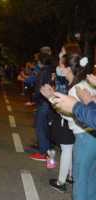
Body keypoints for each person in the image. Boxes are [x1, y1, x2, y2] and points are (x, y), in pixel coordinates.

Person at [42, 55, 96, 200]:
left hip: (85, 138)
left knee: (81, 183)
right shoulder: (87, 84)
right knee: (91, 181)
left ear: (67, 68)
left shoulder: (76, 89)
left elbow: (70, 114)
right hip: (92, 137)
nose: (59, 67)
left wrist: (50, 97)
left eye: (61, 64)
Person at [29, 53, 54, 161]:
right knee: (45, 127)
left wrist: (34, 99)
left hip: (43, 102)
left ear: (41, 61)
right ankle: (47, 149)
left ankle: (43, 153)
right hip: (49, 102)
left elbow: (39, 88)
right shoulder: (50, 70)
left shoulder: (43, 72)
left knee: (40, 127)